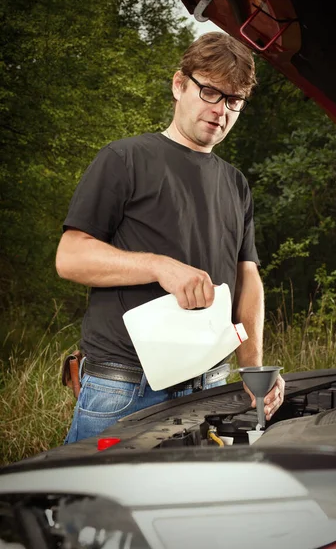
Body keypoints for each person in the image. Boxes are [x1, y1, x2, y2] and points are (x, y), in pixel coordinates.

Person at [56, 32, 285, 443]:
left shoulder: (235, 184)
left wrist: (253, 369)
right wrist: (160, 267)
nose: (221, 111)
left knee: (189, 508)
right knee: (94, 508)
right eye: (210, 92)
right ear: (179, 85)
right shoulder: (123, 159)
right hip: (124, 389)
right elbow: (70, 258)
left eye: (234, 101)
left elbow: (246, 277)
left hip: (211, 386)